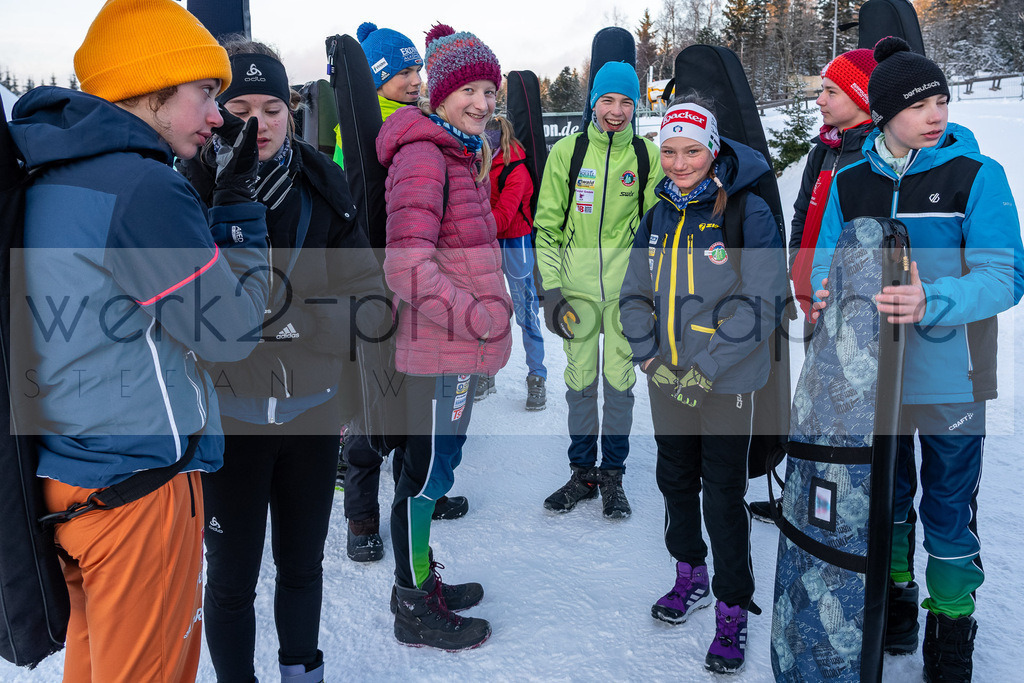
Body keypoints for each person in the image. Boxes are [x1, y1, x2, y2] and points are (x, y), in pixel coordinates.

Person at [8, 0, 271, 680]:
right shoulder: (142, 186)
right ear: (150, 91)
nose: (219, 116)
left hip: (69, 479)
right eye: (206, 92)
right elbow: (230, 333)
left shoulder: (50, 171)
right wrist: (238, 208)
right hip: (139, 495)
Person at [809, 37, 1024, 682]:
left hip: (952, 375)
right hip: (874, 382)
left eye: (942, 100)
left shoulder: (977, 176)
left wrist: (933, 297)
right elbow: (825, 264)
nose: (937, 114)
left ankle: (951, 624)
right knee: (889, 497)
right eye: (921, 104)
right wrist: (825, 295)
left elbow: (1006, 274)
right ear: (882, 113)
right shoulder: (850, 182)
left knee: (950, 506)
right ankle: (897, 600)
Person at [180, 41, 386, 683]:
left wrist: (296, 319)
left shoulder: (323, 189)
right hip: (229, 426)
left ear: (291, 111)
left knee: (302, 567)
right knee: (232, 580)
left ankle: (303, 671)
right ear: (216, 112)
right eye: (238, 106)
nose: (257, 123)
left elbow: (372, 305)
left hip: (311, 419)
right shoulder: (187, 195)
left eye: (272, 107)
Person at [619, 96, 786, 674]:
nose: (679, 161)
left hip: (725, 379)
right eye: (669, 150)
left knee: (722, 491)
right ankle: (689, 575)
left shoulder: (745, 210)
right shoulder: (660, 210)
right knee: (674, 479)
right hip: (667, 376)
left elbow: (761, 298)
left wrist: (707, 367)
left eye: (692, 150)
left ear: (714, 149)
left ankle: (733, 605)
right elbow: (634, 289)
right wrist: (646, 356)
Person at [375, 22, 512, 650]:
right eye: (471, 90)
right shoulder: (426, 155)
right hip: (439, 351)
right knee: (424, 479)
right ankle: (413, 604)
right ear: (439, 92)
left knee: (431, 473)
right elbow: (406, 266)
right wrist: (478, 317)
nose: (484, 103)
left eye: (491, 90)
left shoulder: (458, 151)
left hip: (454, 351)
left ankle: (423, 577)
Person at [341, 21, 469, 565]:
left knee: (415, 405)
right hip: (375, 286)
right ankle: (362, 517)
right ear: (375, 81)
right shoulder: (371, 131)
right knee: (373, 408)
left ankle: (415, 493)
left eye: (418, 70)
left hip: (417, 288)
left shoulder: (422, 124)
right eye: (403, 73)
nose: (415, 80)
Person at [748, 47, 877, 523]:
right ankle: (807, 499)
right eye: (821, 88)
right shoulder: (826, 146)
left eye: (830, 90)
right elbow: (804, 212)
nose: (819, 98)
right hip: (814, 292)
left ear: (861, 96)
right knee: (816, 402)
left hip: (856, 302)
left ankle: (842, 507)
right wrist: (794, 267)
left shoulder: (877, 151)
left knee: (845, 408)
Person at [534, 61, 661, 519]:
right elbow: (546, 229)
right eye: (608, 99)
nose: (617, 110)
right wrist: (552, 291)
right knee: (580, 384)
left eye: (627, 101)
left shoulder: (648, 156)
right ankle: (582, 472)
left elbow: (655, 234)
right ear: (593, 102)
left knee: (620, 385)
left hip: (627, 299)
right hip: (577, 294)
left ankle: (613, 474)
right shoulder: (567, 154)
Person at [482, 114, 547, 410]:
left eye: (486, 138)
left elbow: (505, 216)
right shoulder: (479, 162)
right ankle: (487, 371)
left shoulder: (516, 168)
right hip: (489, 241)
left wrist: (469, 222)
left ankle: (537, 375)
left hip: (515, 242)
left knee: (525, 309)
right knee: (488, 308)